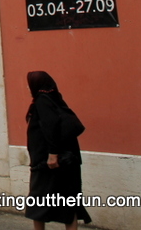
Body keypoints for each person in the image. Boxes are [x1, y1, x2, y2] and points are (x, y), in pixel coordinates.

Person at [25, 71, 91, 229]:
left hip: (48, 162)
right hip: (67, 159)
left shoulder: (42, 101)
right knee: (68, 201)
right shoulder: (55, 99)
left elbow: (50, 126)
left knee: (38, 202)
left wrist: (52, 155)